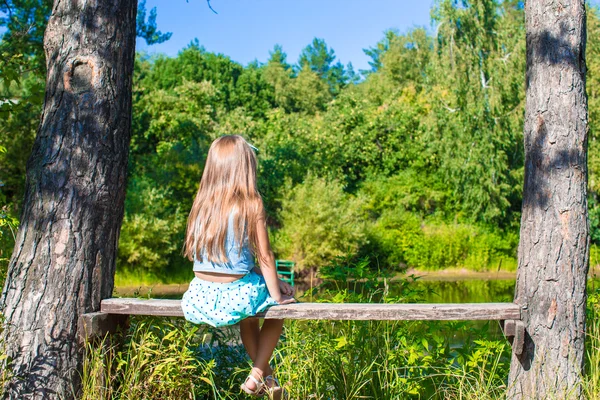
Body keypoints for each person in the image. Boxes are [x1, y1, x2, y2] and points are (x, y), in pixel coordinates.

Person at [181, 135, 296, 399]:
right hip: (236, 295)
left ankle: (268, 379)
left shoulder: (201, 204)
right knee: (276, 310)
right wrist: (278, 295)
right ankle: (258, 374)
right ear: (244, 168)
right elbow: (265, 255)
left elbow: (229, 263)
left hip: (199, 296)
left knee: (250, 314)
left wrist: (263, 277)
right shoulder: (251, 204)